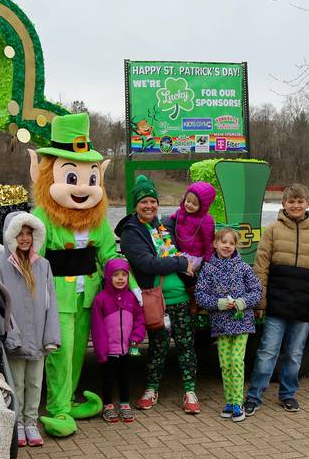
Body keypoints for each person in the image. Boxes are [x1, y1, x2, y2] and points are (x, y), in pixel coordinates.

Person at [115, 174, 200, 414]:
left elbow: (188, 221)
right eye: (144, 202)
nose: (149, 205)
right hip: (156, 301)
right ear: (135, 205)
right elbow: (147, 264)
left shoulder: (160, 226)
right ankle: (151, 389)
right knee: (157, 348)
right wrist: (180, 262)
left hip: (181, 299)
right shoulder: (132, 232)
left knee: (186, 347)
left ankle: (190, 391)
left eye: (153, 201)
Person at [244, 184, 309, 415]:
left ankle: (288, 394)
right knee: (267, 352)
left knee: (294, 355)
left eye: (300, 201)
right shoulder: (271, 230)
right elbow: (261, 269)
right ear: (284, 204)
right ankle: (254, 396)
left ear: (308, 204)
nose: (296, 205)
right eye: (291, 201)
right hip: (276, 304)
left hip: (304, 307)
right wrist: (259, 301)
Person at [0, 211, 60, 448]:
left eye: (29, 233)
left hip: (38, 337)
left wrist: (51, 336)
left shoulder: (43, 265)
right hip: (15, 338)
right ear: (11, 236)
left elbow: (51, 303)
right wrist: (10, 334)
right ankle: (17, 422)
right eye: (20, 233)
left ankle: (31, 422)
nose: (25, 238)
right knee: (15, 383)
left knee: (36, 383)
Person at [194, 227, 261, 422]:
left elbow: (256, 291)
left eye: (231, 243)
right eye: (224, 242)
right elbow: (200, 295)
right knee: (225, 364)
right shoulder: (208, 269)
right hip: (221, 325)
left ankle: (238, 403)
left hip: (241, 324)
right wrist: (217, 303)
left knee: (236, 362)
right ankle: (230, 401)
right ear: (215, 244)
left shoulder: (243, 268)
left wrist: (243, 302)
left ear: (235, 246)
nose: (227, 246)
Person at [90, 258, 145, 423]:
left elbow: (139, 320)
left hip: (126, 349)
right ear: (108, 277)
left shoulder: (131, 298)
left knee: (124, 377)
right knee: (108, 379)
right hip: (108, 351)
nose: (120, 278)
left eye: (124, 275)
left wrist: (136, 336)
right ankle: (108, 405)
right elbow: (97, 327)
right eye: (116, 275)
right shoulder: (101, 299)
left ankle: (125, 404)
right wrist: (101, 349)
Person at [162, 182, 217, 272]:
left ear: (203, 206)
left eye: (195, 204)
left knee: (181, 271)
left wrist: (207, 261)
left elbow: (209, 243)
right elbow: (173, 217)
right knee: (166, 261)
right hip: (180, 250)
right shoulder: (181, 212)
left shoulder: (206, 221)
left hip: (194, 256)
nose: (189, 205)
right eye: (188, 201)